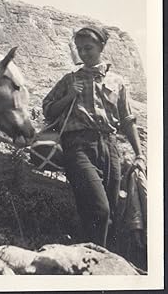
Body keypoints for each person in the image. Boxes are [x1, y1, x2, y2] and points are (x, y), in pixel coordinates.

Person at [42, 26, 146, 247]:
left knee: (111, 211)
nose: (84, 53)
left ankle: (96, 258)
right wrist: (70, 96)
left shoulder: (117, 82)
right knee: (100, 207)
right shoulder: (69, 80)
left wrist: (139, 154)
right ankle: (92, 257)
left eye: (88, 48)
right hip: (77, 147)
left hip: (110, 147)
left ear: (101, 47)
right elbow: (48, 110)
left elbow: (127, 120)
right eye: (80, 49)